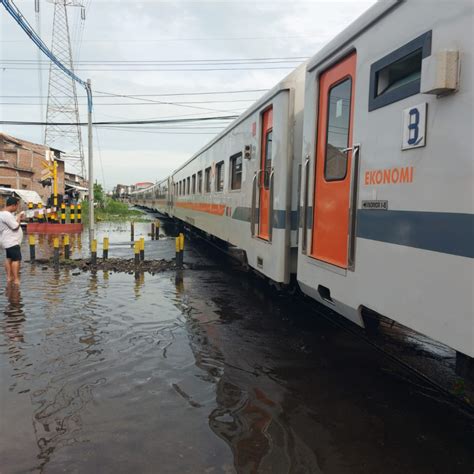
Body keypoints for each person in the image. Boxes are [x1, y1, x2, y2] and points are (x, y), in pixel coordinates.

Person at [0, 196, 24, 285]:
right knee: (16, 260)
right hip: (12, 241)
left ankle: (9, 277)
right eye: (17, 206)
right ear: (13, 205)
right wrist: (19, 218)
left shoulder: (2, 214)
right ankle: (16, 279)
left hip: (6, 241)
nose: (17, 208)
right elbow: (15, 226)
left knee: (9, 258)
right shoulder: (6, 214)